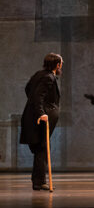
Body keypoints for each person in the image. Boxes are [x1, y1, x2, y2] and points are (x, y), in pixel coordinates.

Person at [20, 53, 63, 191]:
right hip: (39, 119)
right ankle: (39, 182)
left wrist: (35, 106)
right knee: (42, 148)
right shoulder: (49, 77)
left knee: (41, 148)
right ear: (57, 65)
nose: (61, 65)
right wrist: (42, 112)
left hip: (32, 116)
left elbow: (28, 89)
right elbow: (38, 96)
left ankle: (38, 181)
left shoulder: (39, 74)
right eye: (61, 63)